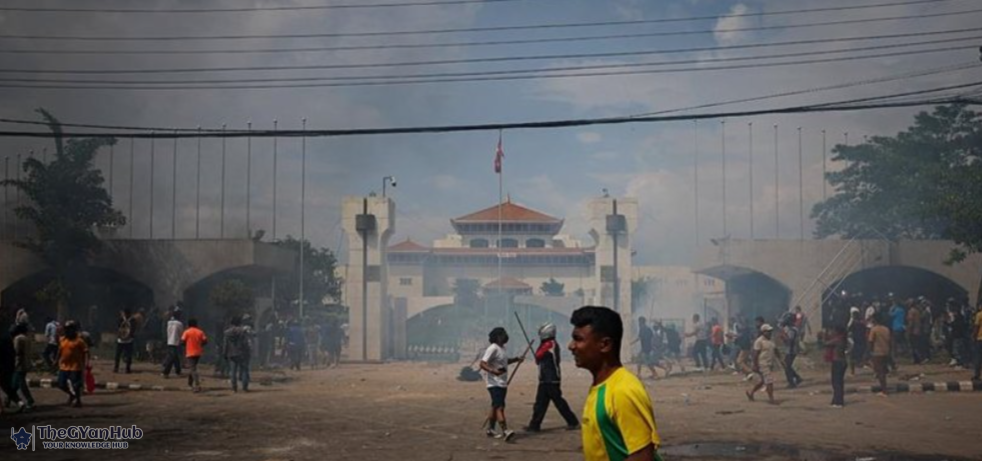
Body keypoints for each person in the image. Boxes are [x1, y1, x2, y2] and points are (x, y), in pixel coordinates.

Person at [568, 306, 662, 461]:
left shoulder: (623, 390)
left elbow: (642, 456)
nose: (571, 346)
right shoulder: (602, 386)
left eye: (578, 339)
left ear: (605, 345)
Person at [524, 323, 579, 433]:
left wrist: (537, 355)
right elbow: (539, 359)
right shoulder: (547, 344)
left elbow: (538, 355)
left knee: (558, 402)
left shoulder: (550, 344)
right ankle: (534, 425)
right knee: (540, 403)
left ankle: (573, 422)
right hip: (545, 378)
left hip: (551, 379)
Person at [480, 327, 522, 441]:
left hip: (502, 382)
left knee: (495, 406)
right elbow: (482, 364)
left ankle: (490, 429)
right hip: (494, 383)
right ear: (498, 337)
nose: (506, 336)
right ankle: (505, 431)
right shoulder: (493, 348)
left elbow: (504, 362)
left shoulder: (502, 348)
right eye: (503, 334)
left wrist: (516, 359)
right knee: (500, 407)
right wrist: (494, 371)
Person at [746, 324, 782, 404]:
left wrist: (781, 360)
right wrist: (755, 365)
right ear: (763, 332)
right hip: (762, 363)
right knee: (769, 381)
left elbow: (776, 350)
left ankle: (751, 393)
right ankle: (771, 399)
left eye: (770, 331)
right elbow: (755, 354)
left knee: (763, 381)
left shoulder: (771, 340)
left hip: (769, 363)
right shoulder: (759, 341)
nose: (769, 333)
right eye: (767, 331)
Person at [58, 321, 89, 408]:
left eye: (69, 329)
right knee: (61, 384)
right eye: (66, 329)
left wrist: (86, 363)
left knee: (76, 385)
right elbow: (59, 351)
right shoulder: (62, 339)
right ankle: (72, 395)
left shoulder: (79, 341)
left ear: (74, 330)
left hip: (76, 366)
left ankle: (78, 401)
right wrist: (56, 361)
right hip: (64, 366)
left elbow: (86, 352)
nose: (67, 331)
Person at [10, 323, 35, 411]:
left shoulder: (18, 338)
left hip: (19, 364)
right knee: (14, 384)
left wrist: (15, 363)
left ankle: (29, 400)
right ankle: (9, 399)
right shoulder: (26, 338)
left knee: (21, 383)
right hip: (26, 363)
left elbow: (17, 352)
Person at [224, 316, 252, 392]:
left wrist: (225, 353)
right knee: (244, 370)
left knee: (233, 371)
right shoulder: (243, 331)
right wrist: (248, 352)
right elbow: (245, 343)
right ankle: (244, 388)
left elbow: (226, 344)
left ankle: (234, 388)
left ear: (231, 323)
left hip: (232, 353)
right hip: (243, 353)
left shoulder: (227, 333)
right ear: (240, 323)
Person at [823, 325, 848, 408]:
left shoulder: (838, 340)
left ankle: (838, 401)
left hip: (838, 362)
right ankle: (836, 400)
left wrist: (825, 336)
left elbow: (826, 343)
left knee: (836, 382)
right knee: (839, 382)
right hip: (842, 362)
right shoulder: (842, 339)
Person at [868, 313, 892, 396]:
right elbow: (890, 341)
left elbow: (870, 341)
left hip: (877, 352)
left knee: (880, 372)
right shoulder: (886, 329)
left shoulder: (874, 329)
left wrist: (870, 351)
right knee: (883, 371)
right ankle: (884, 388)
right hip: (886, 351)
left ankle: (884, 390)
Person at [182, 318, 208, 393]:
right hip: (198, 353)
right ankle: (190, 383)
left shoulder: (187, 332)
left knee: (193, 369)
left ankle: (197, 385)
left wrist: (187, 345)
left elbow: (182, 341)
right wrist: (200, 345)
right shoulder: (200, 332)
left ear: (188, 324)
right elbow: (205, 341)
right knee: (192, 367)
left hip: (190, 352)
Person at [780, 316, 803, 388]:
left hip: (791, 350)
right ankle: (797, 378)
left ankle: (792, 382)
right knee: (787, 365)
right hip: (790, 350)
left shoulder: (792, 330)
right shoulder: (792, 329)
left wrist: (783, 335)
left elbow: (790, 340)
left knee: (787, 367)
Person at [162, 310, 184, 378]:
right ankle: (165, 372)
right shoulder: (179, 324)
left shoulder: (169, 322)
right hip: (176, 342)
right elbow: (181, 334)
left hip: (169, 341)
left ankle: (178, 371)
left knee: (175, 357)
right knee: (172, 357)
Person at [114, 308, 136, 374]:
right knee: (119, 355)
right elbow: (117, 328)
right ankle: (117, 367)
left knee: (127, 355)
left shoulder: (131, 320)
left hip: (127, 340)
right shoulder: (121, 320)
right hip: (122, 340)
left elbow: (133, 329)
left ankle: (126, 368)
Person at [848, 308, 867, 376]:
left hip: (856, 341)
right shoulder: (862, 323)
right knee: (864, 357)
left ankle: (852, 372)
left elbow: (848, 329)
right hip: (862, 341)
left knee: (852, 357)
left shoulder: (854, 323)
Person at [972, 305, 982, 381]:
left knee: (978, 357)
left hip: (980, 338)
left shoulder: (979, 314)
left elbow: (976, 326)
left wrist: (974, 336)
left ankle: (977, 375)